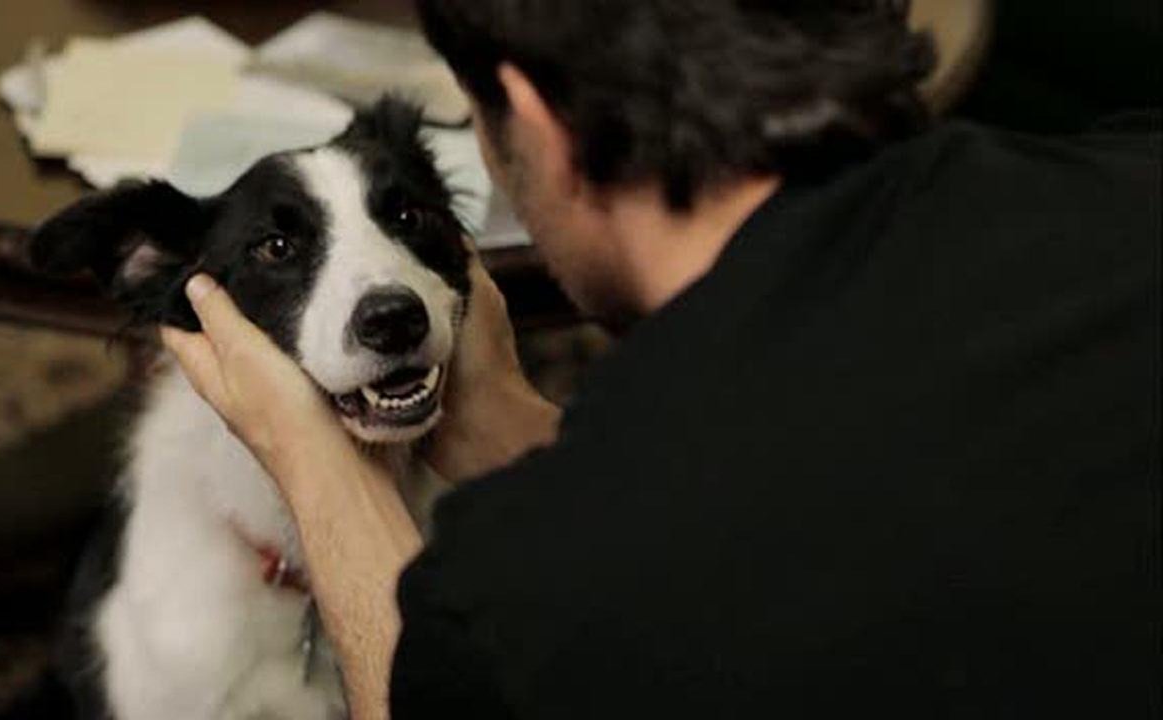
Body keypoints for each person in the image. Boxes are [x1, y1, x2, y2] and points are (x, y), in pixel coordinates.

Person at [161, 1, 1160, 717]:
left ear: (539, 126)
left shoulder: (525, 605)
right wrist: (504, 421)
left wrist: (314, 461)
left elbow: (430, 683)